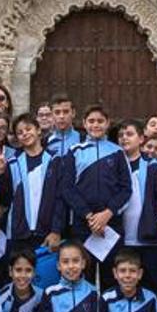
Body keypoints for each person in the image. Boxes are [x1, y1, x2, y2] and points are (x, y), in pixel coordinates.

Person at [58, 104, 131, 244]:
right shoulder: (75, 151)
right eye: (91, 121)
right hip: (83, 222)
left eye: (100, 121)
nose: (96, 125)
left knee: (111, 265)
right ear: (84, 123)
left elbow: (126, 188)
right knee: (84, 264)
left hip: (111, 222)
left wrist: (108, 213)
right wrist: (88, 215)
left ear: (108, 123)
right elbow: (67, 188)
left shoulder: (117, 152)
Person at [117, 118, 157, 296]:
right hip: (124, 240)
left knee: (155, 285)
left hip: (150, 239)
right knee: (127, 286)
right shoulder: (115, 166)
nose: (124, 138)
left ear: (141, 139)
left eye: (130, 134)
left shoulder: (152, 165)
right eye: (121, 135)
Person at [0, 113, 62, 254]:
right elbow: (5, 196)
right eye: (20, 133)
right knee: (19, 274)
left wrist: (56, 230)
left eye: (28, 129)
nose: (25, 134)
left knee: (45, 275)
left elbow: (60, 198)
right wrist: (0, 174)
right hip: (19, 233)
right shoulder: (12, 162)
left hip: (46, 233)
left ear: (38, 130)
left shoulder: (55, 160)